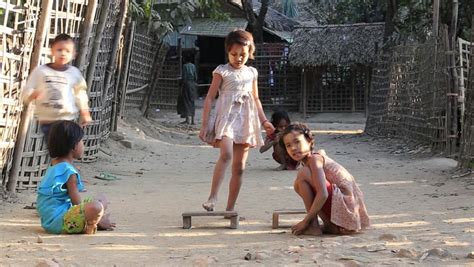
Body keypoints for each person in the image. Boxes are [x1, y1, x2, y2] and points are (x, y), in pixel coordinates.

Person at [199, 30, 275, 212]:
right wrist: (204, 124)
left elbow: (256, 98)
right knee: (226, 155)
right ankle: (212, 197)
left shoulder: (252, 72)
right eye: (234, 54)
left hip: (246, 121)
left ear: (250, 53)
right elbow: (210, 97)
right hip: (226, 119)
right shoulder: (222, 71)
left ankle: (230, 209)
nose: (239, 58)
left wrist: (264, 121)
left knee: (239, 168)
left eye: (243, 54)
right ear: (228, 52)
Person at [280, 123, 370, 235]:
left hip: (347, 210)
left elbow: (323, 194)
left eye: (297, 141)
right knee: (299, 183)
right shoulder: (311, 160)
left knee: (303, 174)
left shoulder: (314, 159)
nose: (293, 148)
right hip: (345, 211)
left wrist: (305, 221)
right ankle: (329, 225)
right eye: (288, 145)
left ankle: (313, 226)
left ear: (309, 141)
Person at [36, 120, 115, 234]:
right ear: (74, 146)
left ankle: (92, 220)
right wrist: (97, 217)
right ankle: (93, 224)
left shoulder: (55, 164)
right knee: (97, 207)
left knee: (102, 199)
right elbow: (76, 203)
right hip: (62, 221)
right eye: (81, 141)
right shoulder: (69, 171)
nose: (83, 144)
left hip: (48, 221)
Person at [23, 33, 91, 138]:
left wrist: (85, 112)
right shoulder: (41, 71)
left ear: (74, 54)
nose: (63, 54)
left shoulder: (74, 73)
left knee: (64, 149)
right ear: (52, 51)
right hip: (47, 121)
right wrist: (32, 95)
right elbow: (28, 89)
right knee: (56, 150)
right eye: (59, 50)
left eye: (67, 51)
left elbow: (80, 94)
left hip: (66, 120)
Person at [177, 52, 198, 124]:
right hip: (192, 85)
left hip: (186, 84)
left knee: (186, 101)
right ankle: (192, 120)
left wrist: (181, 86)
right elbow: (195, 77)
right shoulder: (193, 66)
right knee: (192, 101)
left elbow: (184, 78)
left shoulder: (185, 66)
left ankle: (187, 119)